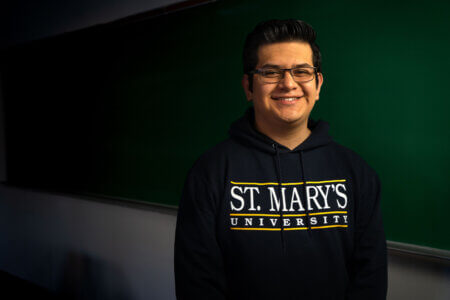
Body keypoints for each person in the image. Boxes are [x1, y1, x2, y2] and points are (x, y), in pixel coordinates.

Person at [174, 19, 387, 300]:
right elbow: (197, 285)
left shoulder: (357, 173)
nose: (288, 84)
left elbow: (369, 280)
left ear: (318, 84)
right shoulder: (210, 173)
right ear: (249, 87)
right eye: (271, 72)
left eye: (302, 71)